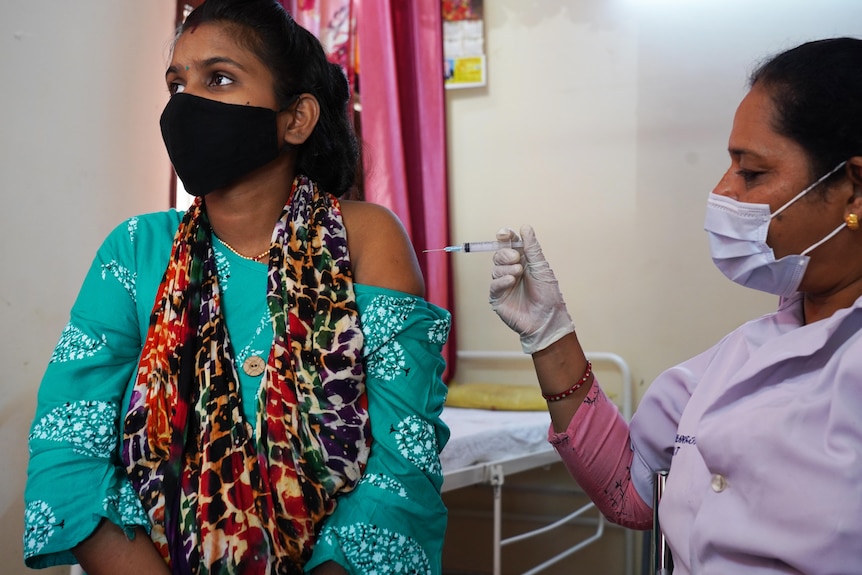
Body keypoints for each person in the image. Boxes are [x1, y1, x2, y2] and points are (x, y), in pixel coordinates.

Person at [23, 1, 451, 574]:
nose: (186, 104)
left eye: (218, 78)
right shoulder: (136, 249)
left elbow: (402, 464)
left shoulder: (365, 238)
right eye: (177, 84)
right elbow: (66, 450)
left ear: (295, 118)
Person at [488, 37, 862, 574]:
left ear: (853, 189)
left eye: (751, 173)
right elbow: (632, 491)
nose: (723, 191)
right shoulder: (742, 354)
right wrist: (549, 334)